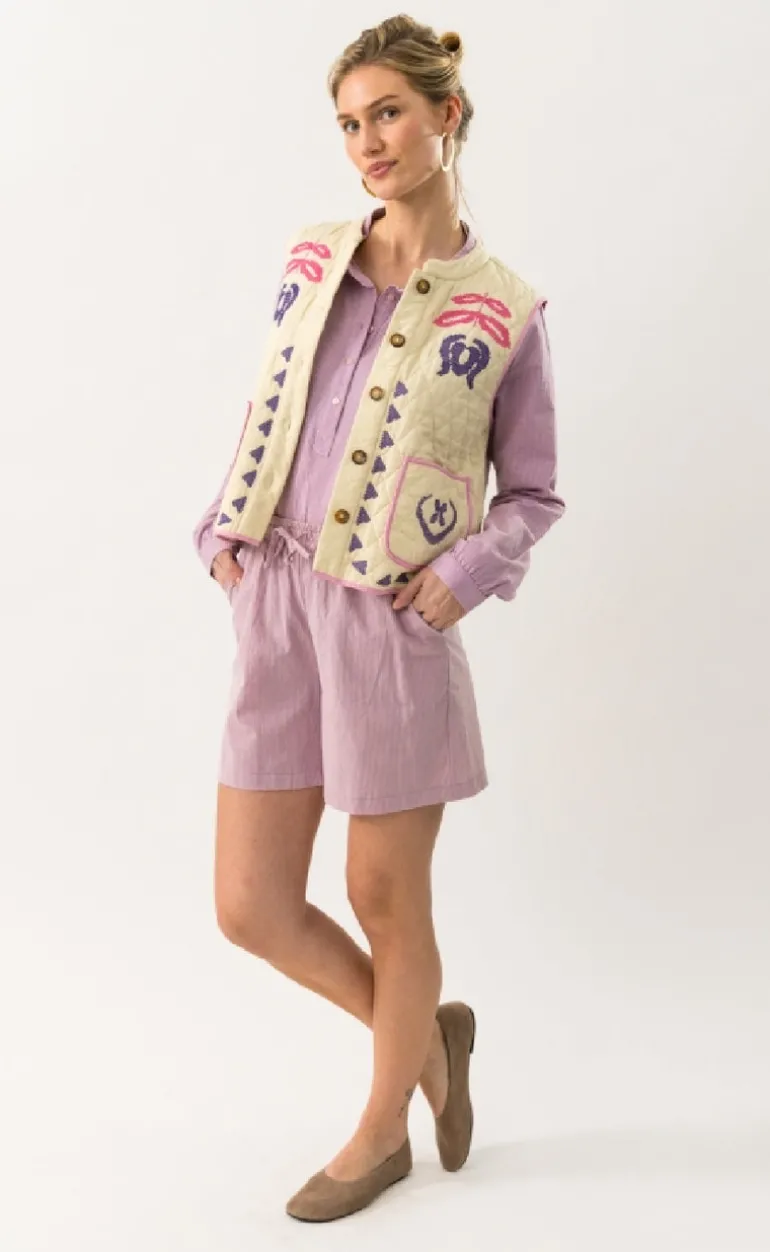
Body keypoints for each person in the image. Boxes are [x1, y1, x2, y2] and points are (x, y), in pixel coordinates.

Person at [191, 13, 566, 1223]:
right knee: (249, 902)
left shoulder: (502, 308)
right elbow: (272, 404)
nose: (367, 141)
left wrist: (465, 573)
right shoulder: (312, 259)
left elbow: (533, 491)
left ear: (445, 114)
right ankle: (429, 1049)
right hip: (276, 601)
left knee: (382, 894)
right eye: (350, 122)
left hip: (390, 626)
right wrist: (222, 531)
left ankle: (380, 1130)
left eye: (388, 113)